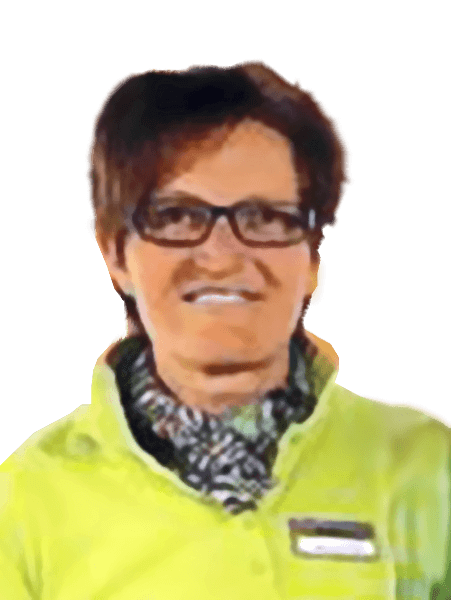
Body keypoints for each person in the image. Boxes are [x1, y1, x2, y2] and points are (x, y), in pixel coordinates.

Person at [1, 60, 449, 599]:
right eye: (177, 216)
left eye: (264, 218)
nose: (221, 256)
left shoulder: (427, 466)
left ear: (311, 260)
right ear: (117, 254)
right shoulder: (28, 496)